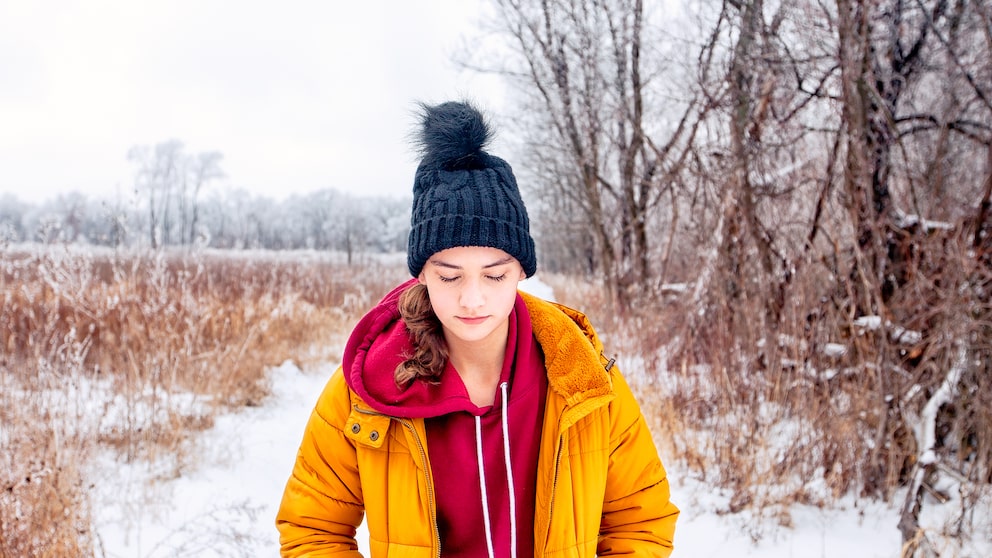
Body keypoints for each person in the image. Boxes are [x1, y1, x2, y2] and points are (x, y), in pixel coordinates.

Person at [276, 101, 679, 557]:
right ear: (422, 274)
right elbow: (312, 530)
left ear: (521, 272)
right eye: (450, 275)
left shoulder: (583, 380)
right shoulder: (367, 388)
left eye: (494, 274)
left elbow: (641, 522)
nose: (472, 298)